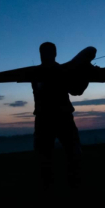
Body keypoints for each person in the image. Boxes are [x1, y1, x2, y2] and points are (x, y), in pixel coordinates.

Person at [32, 42, 89, 191]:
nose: (45, 56)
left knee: (73, 152)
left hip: (61, 118)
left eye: (48, 52)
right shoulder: (36, 73)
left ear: (54, 54)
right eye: (43, 53)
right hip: (46, 119)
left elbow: (76, 90)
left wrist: (85, 75)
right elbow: (40, 88)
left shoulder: (62, 71)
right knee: (44, 156)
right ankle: (48, 187)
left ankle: (76, 184)